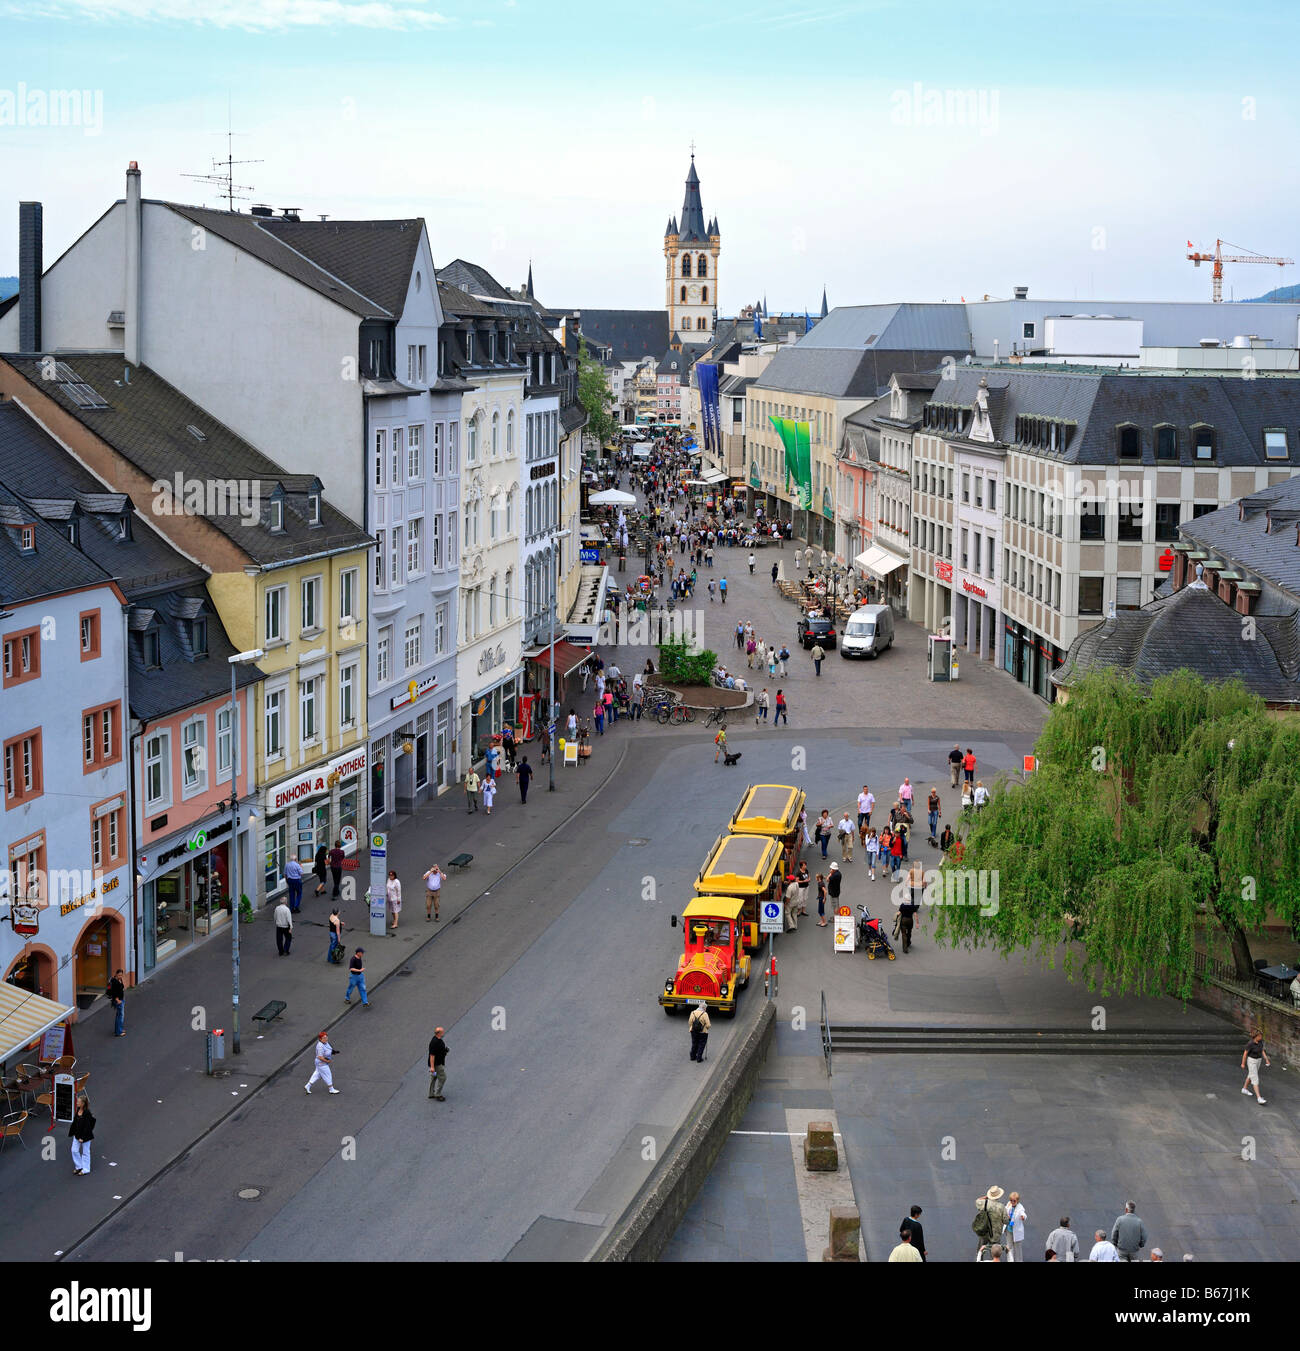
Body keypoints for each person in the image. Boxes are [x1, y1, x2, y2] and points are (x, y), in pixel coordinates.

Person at [973, 1186, 1009, 1258]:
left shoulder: (984, 1203)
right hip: (996, 1234)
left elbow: (977, 1201)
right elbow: (1006, 1221)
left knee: (981, 1249)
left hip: (985, 1230)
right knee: (995, 1252)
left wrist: (986, 1197)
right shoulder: (1001, 1207)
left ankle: (979, 1259)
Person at [69, 1098, 96, 1174]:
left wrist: (82, 1137)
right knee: (74, 1150)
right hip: (77, 1134)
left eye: (78, 1102)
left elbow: (87, 1127)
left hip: (85, 1136)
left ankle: (86, 1169)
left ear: (83, 1103)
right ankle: (79, 1166)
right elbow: (75, 1122)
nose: (77, 1103)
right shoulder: (78, 1110)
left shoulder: (86, 1113)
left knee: (85, 1152)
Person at [1242, 1030, 1270, 1103]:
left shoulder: (1260, 1042)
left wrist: (1266, 1059)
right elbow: (1245, 1054)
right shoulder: (1250, 1044)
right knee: (1255, 1078)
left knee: (1251, 1075)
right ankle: (1259, 1098)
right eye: (1260, 1036)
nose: (1261, 1037)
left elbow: (1262, 1050)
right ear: (1255, 1036)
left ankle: (1244, 1089)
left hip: (1258, 1060)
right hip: (1252, 1061)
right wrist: (1243, 1063)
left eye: (1261, 1036)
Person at [1005, 1191, 1027, 1264]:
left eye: (1014, 1200)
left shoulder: (1020, 1207)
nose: (1012, 1202)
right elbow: (1005, 1211)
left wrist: (1023, 1217)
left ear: (1017, 1200)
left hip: (1016, 1231)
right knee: (1009, 1248)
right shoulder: (1008, 1204)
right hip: (1009, 1230)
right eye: (1011, 1200)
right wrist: (1006, 1216)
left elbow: (1023, 1213)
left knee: (1018, 1249)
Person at [428, 1026, 448, 1100]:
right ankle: (438, 1094)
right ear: (439, 1033)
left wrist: (445, 1051)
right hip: (437, 1065)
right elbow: (432, 1056)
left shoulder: (438, 1040)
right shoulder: (434, 1042)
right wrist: (432, 1067)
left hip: (437, 1064)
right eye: (442, 1032)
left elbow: (439, 1052)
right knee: (443, 1078)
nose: (443, 1033)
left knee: (434, 1077)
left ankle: (431, 1093)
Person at [108, 968, 126, 1037]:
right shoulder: (115, 981)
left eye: (121, 975)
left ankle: (119, 1029)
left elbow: (122, 987)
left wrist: (121, 981)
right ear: (116, 974)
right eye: (119, 975)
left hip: (121, 999)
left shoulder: (119, 980)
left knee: (119, 1015)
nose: (120, 976)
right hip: (119, 1001)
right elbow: (114, 992)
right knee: (120, 1016)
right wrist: (118, 1000)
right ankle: (119, 1032)